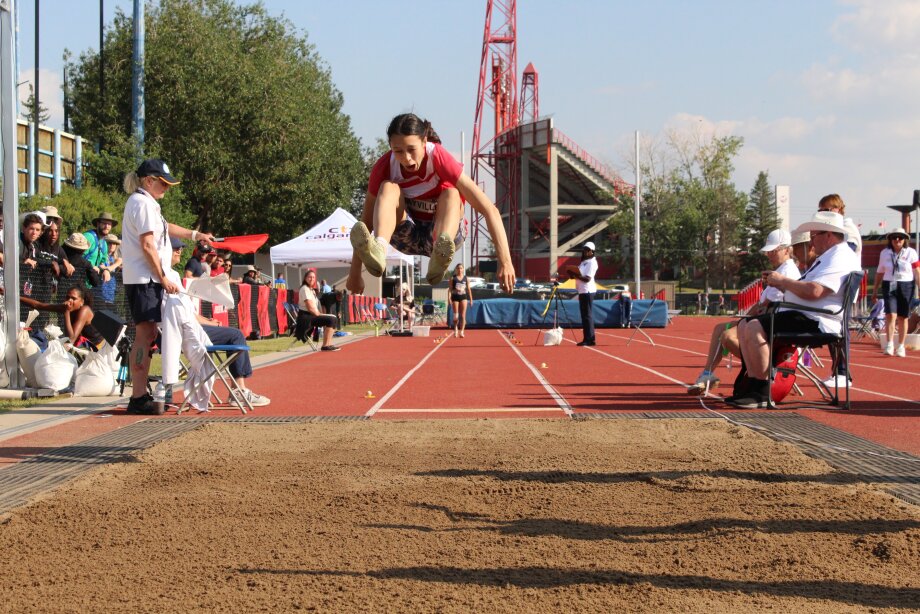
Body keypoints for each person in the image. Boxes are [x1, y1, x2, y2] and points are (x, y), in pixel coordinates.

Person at [347, 113, 515, 292]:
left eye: (412, 149)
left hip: (442, 232)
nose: (406, 158)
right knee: (388, 187)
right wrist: (355, 274)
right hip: (407, 234)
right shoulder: (385, 167)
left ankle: (440, 251)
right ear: (390, 147)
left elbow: (489, 209)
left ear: (424, 141)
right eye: (398, 151)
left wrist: (505, 262)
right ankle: (379, 248)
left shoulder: (439, 158)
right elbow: (365, 223)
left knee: (451, 193)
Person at [731, 211, 860, 408]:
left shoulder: (839, 257)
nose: (811, 241)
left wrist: (782, 281)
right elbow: (808, 288)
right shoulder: (829, 256)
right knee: (744, 325)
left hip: (819, 320)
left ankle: (763, 390)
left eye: (814, 235)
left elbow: (815, 291)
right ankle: (753, 386)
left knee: (755, 326)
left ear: (829, 235)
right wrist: (781, 284)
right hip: (807, 314)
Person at [121, 158, 214, 416]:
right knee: (144, 335)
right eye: (163, 183)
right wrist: (162, 277)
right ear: (149, 181)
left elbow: (164, 228)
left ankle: (140, 394)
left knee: (148, 334)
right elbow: (148, 245)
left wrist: (195, 235)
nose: (167, 188)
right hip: (145, 280)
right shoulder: (140, 203)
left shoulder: (149, 203)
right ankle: (138, 396)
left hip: (148, 279)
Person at [160, 237, 270, 411]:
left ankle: (238, 390)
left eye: (180, 248)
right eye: (175, 249)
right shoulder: (164, 277)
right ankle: (238, 391)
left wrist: (209, 321)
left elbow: (187, 312)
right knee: (236, 336)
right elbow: (179, 315)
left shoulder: (172, 275)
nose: (179, 251)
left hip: (190, 327)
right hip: (184, 332)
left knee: (232, 333)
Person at [688, 229, 800, 395]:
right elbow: (763, 304)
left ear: (786, 249)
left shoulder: (787, 273)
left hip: (772, 325)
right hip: (763, 321)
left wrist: (748, 317)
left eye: (773, 251)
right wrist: (746, 316)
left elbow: (767, 305)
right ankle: (707, 374)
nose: (769, 255)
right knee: (720, 328)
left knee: (726, 336)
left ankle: (763, 368)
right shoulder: (779, 271)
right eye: (768, 251)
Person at [871, 227, 920, 357]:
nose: (897, 240)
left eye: (900, 237)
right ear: (890, 240)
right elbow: (879, 272)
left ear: (905, 240)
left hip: (906, 285)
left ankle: (901, 346)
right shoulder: (885, 253)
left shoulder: (911, 252)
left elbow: (917, 271)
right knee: (890, 315)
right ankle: (889, 344)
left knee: (903, 316)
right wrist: (875, 290)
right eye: (894, 237)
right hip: (889, 284)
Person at [20, 286, 106, 349]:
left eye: (73, 298)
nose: (69, 301)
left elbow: (71, 340)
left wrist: (66, 312)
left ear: (82, 302)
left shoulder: (84, 310)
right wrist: (16, 297)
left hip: (97, 347)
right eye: (68, 297)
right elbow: (38, 305)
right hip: (81, 345)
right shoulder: (67, 308)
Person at [296, 269, 340, 351]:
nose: (312, 279)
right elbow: (310, 308)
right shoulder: (304, 289)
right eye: (310, 277)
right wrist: (321, 314)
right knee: (331, 319)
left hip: (311, 315)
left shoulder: (311, 290)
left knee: (334, 318)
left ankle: (328, 344)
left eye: (313, 277)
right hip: (306, 318)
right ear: (305, 278)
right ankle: (325, 346)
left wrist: (322, 314)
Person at [569, 241, 598, 346]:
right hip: (582, 290)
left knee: (587, 316)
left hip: (587, 290)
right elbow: (579, 274)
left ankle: (590, 339)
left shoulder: (592, 262)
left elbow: (587, 279)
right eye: (585, 249)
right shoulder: (584, 262)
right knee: (585, 315)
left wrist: (575, 276)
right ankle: (587, 338)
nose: (586, 251)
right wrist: (572, 274)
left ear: (592, 251)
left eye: (588, 250)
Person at [82, 211, 118, 291]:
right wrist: (90, 266)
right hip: (76, 281)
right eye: (104, 223)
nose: (107, 226)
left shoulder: (104, 243)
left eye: (109, 224)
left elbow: (102, 263)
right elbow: (77, 257)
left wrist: (105, 269)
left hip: (88, 285)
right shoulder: (88, 237)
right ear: (98, 224)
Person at [449, 263, 473, 337]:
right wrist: (449, 298)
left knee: (463, 316)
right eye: (458, 268)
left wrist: (471, 299)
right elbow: (449, 289)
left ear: (463, 269)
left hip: (463, 297)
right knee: (456, 316)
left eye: (461, 268)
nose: (459, 270)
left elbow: (469, 289)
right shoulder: (453, 278)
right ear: (456, 269)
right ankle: (456, 328)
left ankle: (462, 331)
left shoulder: (466, 278)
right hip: (455, 297)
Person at [99, 234, 123, 305]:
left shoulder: (114, 258)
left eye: (114, 243)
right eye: (109, 243)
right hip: (98, 292)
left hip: (110, 292)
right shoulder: (100, 255)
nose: (112, 245)